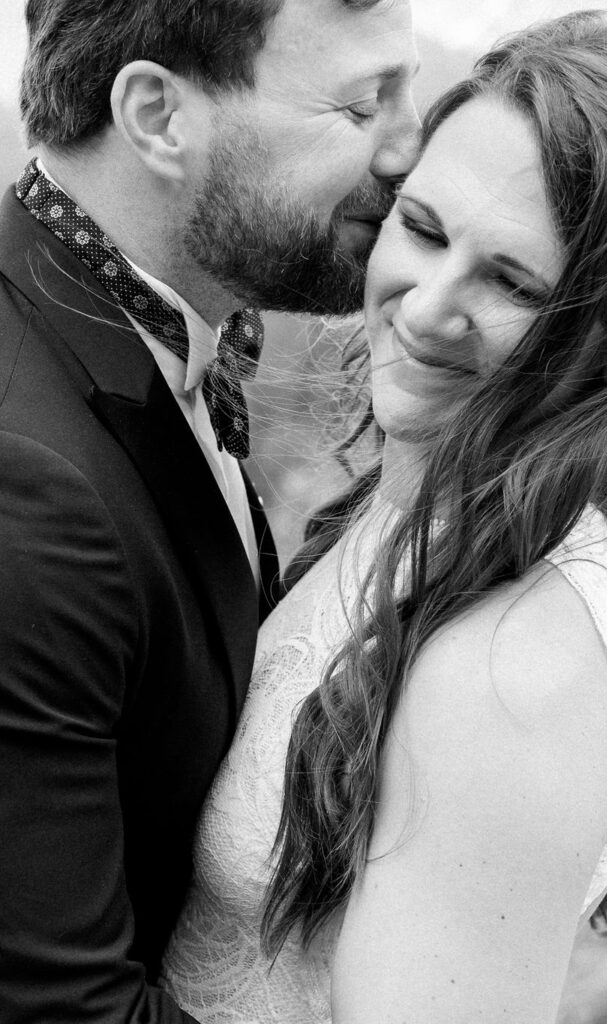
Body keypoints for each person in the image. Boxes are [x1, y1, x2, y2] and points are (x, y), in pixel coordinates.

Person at [160, 10, 607, 1023]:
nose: (428, 307)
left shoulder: (511, 666)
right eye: (425, 230)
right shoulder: (419, 514)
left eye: (513, 282)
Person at [0, 0, 419, 1020]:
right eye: (366, 105)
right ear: (157, 116)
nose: (411, 152)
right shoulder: (32, 493)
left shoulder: (154, 336)